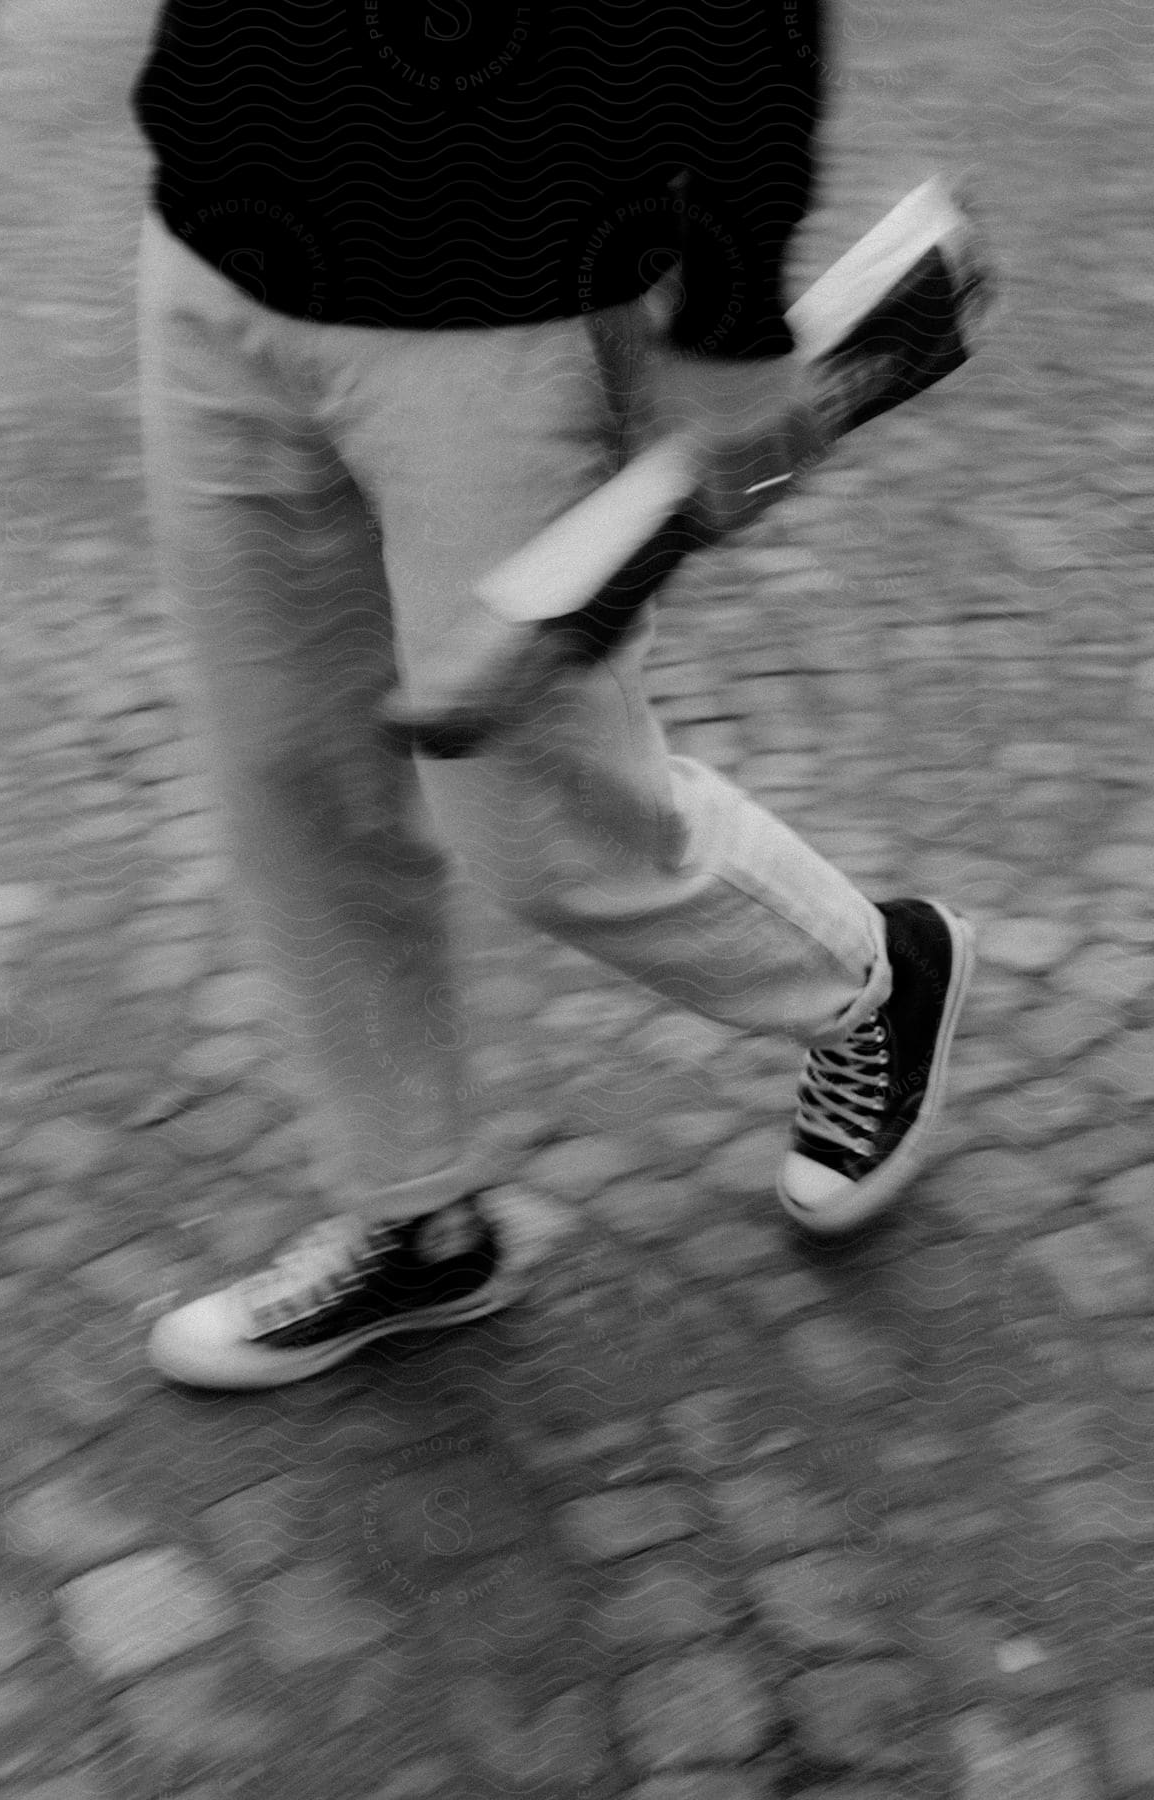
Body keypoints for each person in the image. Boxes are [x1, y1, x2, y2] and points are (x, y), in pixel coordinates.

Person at [132, 2, 974, 1390]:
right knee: (292, 776)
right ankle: (417, 1214)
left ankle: (877, 975)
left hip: (515, 291)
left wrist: (729, 287)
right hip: (218, 235)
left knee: (542, 824)